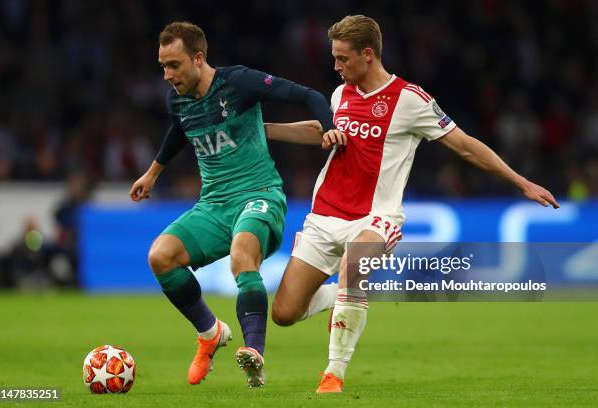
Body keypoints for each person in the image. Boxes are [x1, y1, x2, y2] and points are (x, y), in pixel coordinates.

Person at [269, 15, 560, 393]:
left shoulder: (411, 100)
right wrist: (262, 130)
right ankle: (338, 300)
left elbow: (465, 145)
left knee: (354, 265)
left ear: (368, 55)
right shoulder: (341, 94)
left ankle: (333, 374)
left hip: (377, 217)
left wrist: (521, 182)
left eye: (342, 59)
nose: (335, 66)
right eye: (335, 58)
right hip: (324, 215)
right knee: (285, 313)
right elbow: (319, 130)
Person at [129, 21, 340, 388]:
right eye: (162, 66)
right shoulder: (176, 99)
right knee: (160, 256)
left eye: (174, 65)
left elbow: (307, 96)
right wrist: (153, 173)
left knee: (242, 253)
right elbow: (180, 129)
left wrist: (330, 126)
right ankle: (210, 333)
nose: (167, 75)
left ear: (198, 58)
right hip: (213, 204)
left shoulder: (238, 83)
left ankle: (254, 354)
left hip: (260, 196)